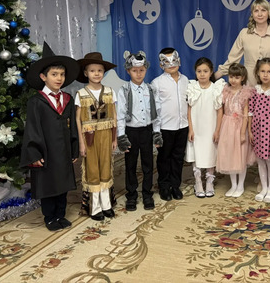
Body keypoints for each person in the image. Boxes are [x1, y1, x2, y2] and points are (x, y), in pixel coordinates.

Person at [20, 42, 80, 232]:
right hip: (45, 150)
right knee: (48, 184)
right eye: (54, 74)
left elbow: (72, 126)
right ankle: (50, 217)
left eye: (62, 74)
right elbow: (32, 129)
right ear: (43, 77)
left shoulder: (67, 99)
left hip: (63, 150)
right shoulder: (36, 102)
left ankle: (60, 215)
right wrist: (34, 154)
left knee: (62, 183)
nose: (59, 78)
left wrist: (74, 147)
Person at [215, 0, 270, 86]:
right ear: (252, 14)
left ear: (269, 13)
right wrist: (213, 77)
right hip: (249, 82)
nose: (260, 14)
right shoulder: (244, 33)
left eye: (263, 10)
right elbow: (232, 59)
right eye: (256, 11)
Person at [75, 52, 118, 221]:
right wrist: (81, 143)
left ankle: (106, 205)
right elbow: (78, 120)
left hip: (106, 135)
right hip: (89, 137)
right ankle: (95, 207)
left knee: (106, 168)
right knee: (93, 170)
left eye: (100, 70)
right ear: (86, 73)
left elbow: (114, 116)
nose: (96, 74)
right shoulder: (81, 94)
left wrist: (114, 138)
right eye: (92, 70)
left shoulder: (109, 92)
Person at [117, 51, 161, 212]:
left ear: (146, 70)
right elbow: (120, 114)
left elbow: (157, 112)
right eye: (135, 70)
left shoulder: (151, 89)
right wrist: (121, 136)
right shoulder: (124, 90)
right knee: (130, 164)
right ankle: (131, 195)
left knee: (148, 163)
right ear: (128, 71)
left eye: (141, 70)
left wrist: (156, 132)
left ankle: (147, 194)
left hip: (146, 131)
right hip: (131, 131)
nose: (138, 73)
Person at [151, 48, 189, 201]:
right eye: (166, 61)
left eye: (174, 60)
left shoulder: (186, 80)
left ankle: (175, 186)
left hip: (182, 125)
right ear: (161, 64)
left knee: (178, 157)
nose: (171, 64)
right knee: (164, 158)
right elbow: (154, 109)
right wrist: (156, 131)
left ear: (179, 61)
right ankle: (164, 186)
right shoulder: (157, 83)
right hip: (165, 127)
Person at [186, 58, 225, 198]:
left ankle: (209, 181)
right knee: (196, 153)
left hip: (211, 126)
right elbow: (189, 110)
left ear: (211, 72)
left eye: (205, 71)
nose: (202, 74)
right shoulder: (192, 87)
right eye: (199, 71)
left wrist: (217, 130)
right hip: (197, 127)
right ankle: (198, 182)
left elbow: (220, 111)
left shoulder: (216, 89)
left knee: (210, 153)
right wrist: (191, 129)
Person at [249, 57, 270, 203]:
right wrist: (250, 131)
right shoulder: (255, 90)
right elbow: (250, 111)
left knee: (269, 161)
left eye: (269, 72)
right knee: (260, 161)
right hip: (257, 130)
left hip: (269, 131)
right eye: (262, 71)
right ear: (257, 72)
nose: (265, 74)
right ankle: (263, 188)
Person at [216, 63, 254, 197]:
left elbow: (246, 114)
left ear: (242, 78)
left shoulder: (245, 93)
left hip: (239, 126)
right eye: (231, 77)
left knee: (240, 156)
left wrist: (243, 132)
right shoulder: (225, 91)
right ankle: (233, 185)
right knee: (230, 155)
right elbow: (221, 110)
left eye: (237, 77)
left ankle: (240, 185)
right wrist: (219, 130)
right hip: (227, 125)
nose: (233, 80)